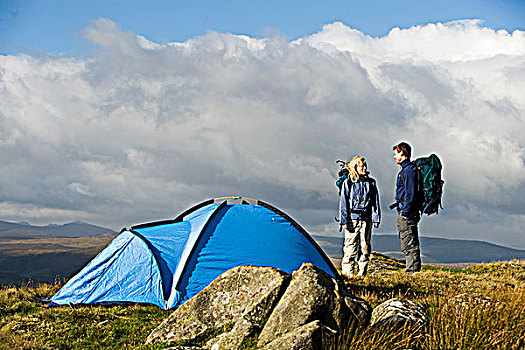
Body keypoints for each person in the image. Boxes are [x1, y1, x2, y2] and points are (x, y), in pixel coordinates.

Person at [339, 156, 380, 277]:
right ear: (355, 167)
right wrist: (344, 221)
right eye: (362, 166)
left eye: (365, 165)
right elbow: (343, 202)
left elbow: (375, 201)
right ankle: (348, 275)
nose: (364, 168)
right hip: (352, 219)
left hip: (366, 218)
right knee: (350, 248)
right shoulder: (348, 182)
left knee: (365, 248)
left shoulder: (371, 182)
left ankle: (362, 274)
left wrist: (376, 217)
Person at [392, 142, 422, 274]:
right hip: (406, 209)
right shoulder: (406, 170)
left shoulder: (409, 171)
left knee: (409, 240)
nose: (394, 157)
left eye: (396, 154)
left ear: (403, 154)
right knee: (407, 240)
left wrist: (405, 211)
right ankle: (411, 269)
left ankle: (412, 271)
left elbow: (411, 193)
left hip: (407, 211)